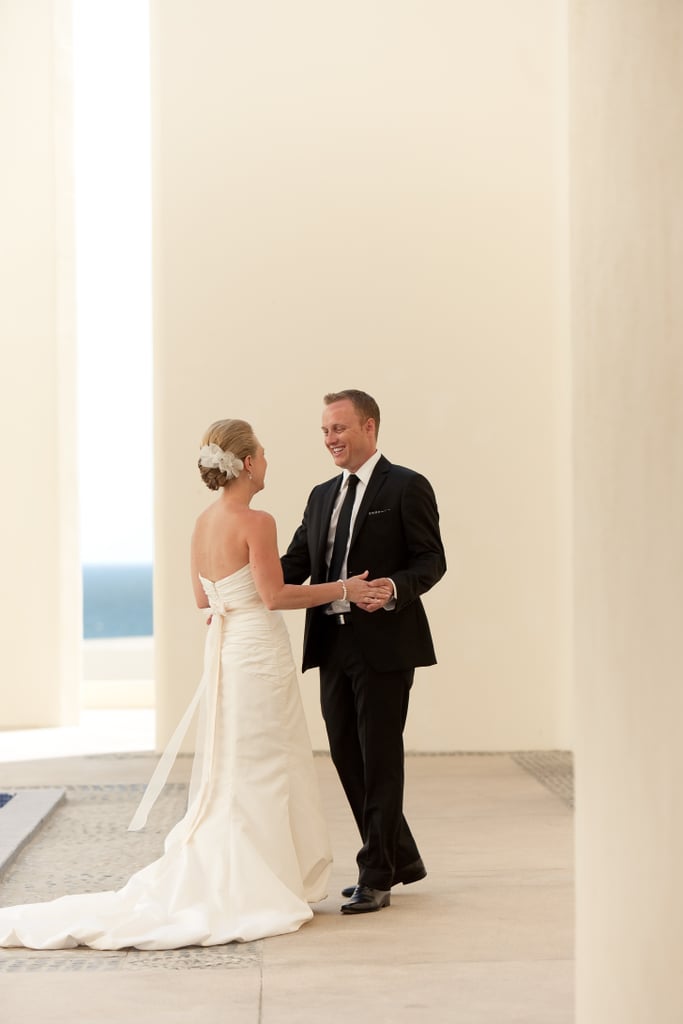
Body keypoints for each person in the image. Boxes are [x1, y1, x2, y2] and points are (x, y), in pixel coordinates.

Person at [0, 418, 383, 950]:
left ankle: (240, 870)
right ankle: (258, 881)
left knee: (235, 765)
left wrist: (236, 603)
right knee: (266, 764)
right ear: (247, 463)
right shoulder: (257, 520)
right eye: (264, 454)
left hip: (228, 650)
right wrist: (344, 587)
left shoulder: (202, 522)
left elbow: (205, 601)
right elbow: (274, 597)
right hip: (255, 652)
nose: (269, 462)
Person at [281, 390, 446, 914]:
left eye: (339, 428)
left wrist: (394, 588)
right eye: (325, 431)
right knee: (349, 758)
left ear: (369, 427)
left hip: (385, 643)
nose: (330, 439)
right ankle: (401, 857)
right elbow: (295, 564)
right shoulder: (320, 494)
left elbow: (431, 560)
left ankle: (376, 872)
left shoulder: (406, 486)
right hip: (331, 644)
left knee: (380, 757)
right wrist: (238, 583)